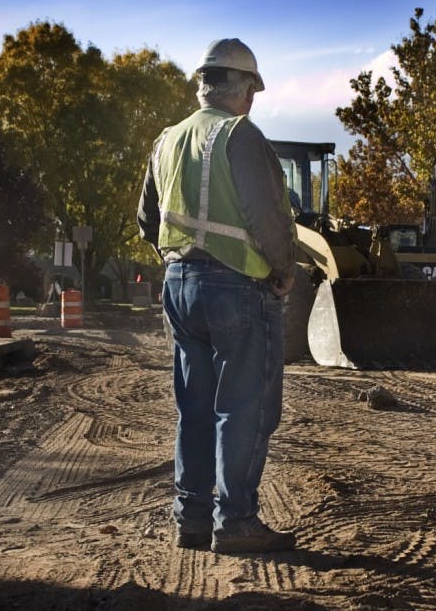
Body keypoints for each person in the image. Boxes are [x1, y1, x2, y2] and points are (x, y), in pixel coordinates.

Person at [136, 38, 297, 554]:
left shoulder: (167, 139)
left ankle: (193, 520)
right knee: (243, 408)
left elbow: (147, 219)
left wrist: (179, 256)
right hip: (237, 289)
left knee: (195, 408)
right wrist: (283, 270)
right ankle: (236, 521)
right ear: (242, 88)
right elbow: (268, 216)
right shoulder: (239, 136)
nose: (253, 99)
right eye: (253, 87)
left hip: (180, 287)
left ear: (204, 83)